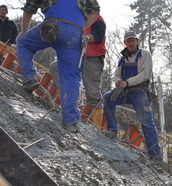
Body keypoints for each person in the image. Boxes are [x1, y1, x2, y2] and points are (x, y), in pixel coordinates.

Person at [16, 0, 100, 133]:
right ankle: (71, 122)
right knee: (71, 76)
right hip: (74, 32)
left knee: (23, 44)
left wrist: (24, 30)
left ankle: (29, 78)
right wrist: (78, 27)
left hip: (52, 25)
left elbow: (29, 8)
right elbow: (95, 12)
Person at [103, 31, 162, 161]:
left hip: (139, 91)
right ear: (125, 43)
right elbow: (117, 73)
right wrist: (117, 81)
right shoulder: (122, 58)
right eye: (128, 41)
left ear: (137, 41)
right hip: (124, 91)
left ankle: (155, 154)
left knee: (147, 123)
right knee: (107, 97)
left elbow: (144, 75)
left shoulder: (144, 55)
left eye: (132, 40)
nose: (130, 43)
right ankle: (112, 129)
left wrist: (127, 82)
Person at [82, 13, 106, 108]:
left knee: (93, 95)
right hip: (76, 56)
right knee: (55, 68)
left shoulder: (97, 19)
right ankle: (56, 106)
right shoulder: (77, 17)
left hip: (93, 59)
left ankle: (95, 122)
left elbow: (98, 36)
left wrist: (82, 38)